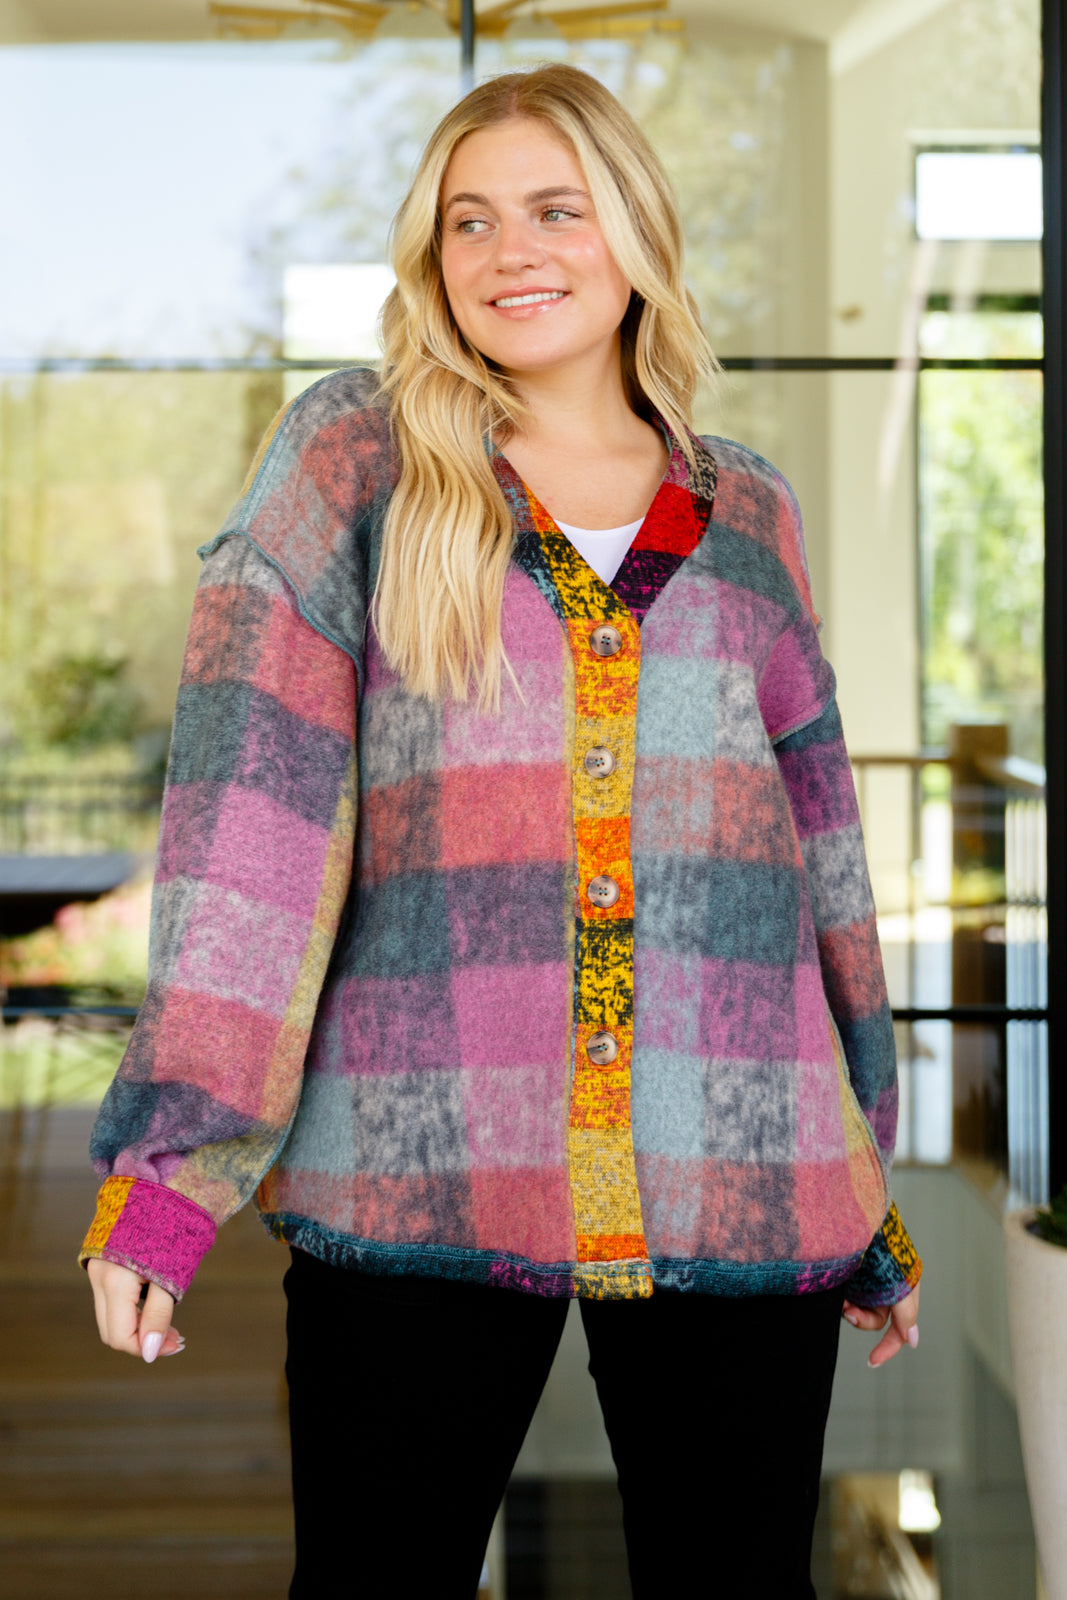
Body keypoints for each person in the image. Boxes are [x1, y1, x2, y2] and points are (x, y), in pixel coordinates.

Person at [81, 62, 922, 1599]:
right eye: (468, 220)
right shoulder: (356, 460)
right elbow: (251, 830)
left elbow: (819, 854)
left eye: (554, 209)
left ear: (636, 234)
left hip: (744, 1156)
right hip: (418, 1153)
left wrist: (862, 1172)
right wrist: (172, 1176)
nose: (508, 250)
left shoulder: (748, 509)